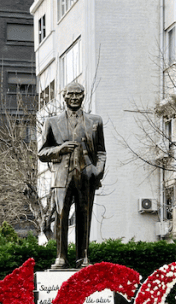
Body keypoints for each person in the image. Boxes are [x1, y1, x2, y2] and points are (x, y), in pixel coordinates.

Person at [38, 81, 106, 269]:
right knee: (61, 216)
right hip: (62, 176)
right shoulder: (51, 122)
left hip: (86, 175)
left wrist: (97, 171)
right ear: (64, 96)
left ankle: (82, 256)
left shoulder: (95, 121)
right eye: (71, 94)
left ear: (83, 96)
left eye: (78, 94)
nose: (74, 98)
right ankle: (61, 257)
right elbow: (41, 153)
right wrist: (59, 149)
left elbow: (101, 151)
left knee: (85, 216)